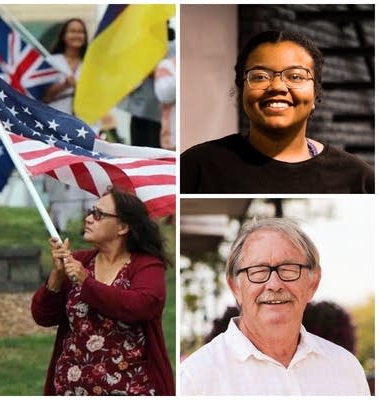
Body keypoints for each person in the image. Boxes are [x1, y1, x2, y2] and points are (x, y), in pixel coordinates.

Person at [180, 218, 370, 395]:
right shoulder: (196, 379)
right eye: (258, 271)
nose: (274, 284)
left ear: (312, 283)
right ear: (235, 287)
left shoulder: (346, 369)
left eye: (288, 269)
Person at [180, 30, 374, 193]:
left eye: (296, 76)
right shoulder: (198, 166)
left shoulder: (359, 179)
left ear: (315, 93)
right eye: (260, 76)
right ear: (241, 90)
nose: (277, 86)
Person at [31, 187, 175, 395]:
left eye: (98, 215)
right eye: (90, 211)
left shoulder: (146, 265)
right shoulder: (80, 261)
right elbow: (43, 316)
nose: (88, 218)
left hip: (130, 389)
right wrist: (57, 275)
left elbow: (141, 306)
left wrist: (86, 282)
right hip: (70, 389)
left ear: (123, 227)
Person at [41, 18, 96, 232]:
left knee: (87, 168)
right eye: (72, 31)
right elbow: (42, 96)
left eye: (81, 32)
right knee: (58, 169)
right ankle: (56, 221)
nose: (76, 36)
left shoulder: (90, 63)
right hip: (56, 124)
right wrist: (65, 83)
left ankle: (89, 219)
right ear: (64, 35)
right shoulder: (51, 62)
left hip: (86, 124)